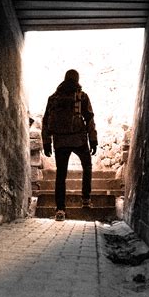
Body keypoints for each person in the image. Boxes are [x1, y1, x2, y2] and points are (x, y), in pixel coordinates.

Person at [42, 69, 98, 222]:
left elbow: (46, 121)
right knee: (87, 167)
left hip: (60, 141)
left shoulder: (53, 98)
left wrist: (46, 142)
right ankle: (86, 200)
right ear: (77, 79)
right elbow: (90, 119)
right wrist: (93, 139)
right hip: (79, 139)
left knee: (61, 175)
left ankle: (60, 210)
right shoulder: (82, 96)